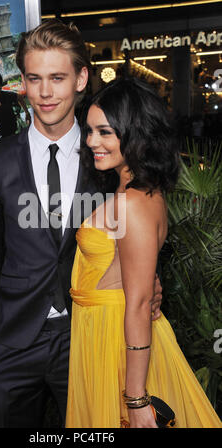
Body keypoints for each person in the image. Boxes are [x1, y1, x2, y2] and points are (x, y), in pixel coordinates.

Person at [0, 20, 162, 428]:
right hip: (12, 340)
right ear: (22, 81)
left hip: (89, 337)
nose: (45, 92)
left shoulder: (109, 159)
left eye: (57, 77)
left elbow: (139, 234)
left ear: (81, 78)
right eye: (34, 78)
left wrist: (149, 285)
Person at [65, 77, 222, 428]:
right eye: (89, 131)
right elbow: (133, 272)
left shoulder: (132, 202)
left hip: (116, 340)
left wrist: (136, 400)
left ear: (134, 133)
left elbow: (137, 303)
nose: (92, 141)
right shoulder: (138, 192)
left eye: (105, 132)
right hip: (107, 332)